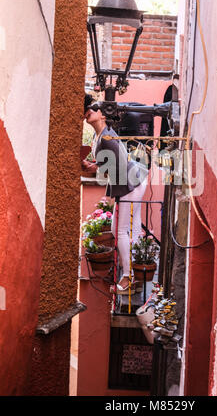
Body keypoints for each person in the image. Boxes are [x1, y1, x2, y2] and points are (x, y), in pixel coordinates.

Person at [83, 94, 148, 294]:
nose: (89, 111)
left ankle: (128, 276)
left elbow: (114, 165)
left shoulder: (107, 138)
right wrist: (93, 166)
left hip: (130, 183)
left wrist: (92, 168)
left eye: (93, 109)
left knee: (120, 231)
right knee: (130, 229)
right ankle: (138, 269)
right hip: (134, 179)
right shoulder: (101, 134)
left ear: (102, 115)